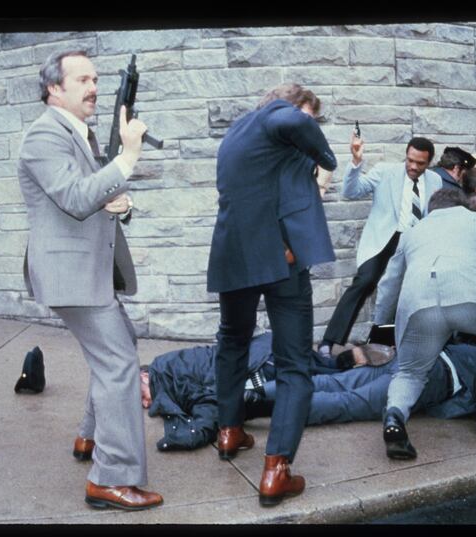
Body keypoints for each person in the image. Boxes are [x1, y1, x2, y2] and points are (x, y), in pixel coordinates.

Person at [17, 50, 162, 510]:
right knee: (119, 364)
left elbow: (99, 194)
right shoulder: (43, 135)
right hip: (71, 273)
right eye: (82, 79)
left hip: (90, 269)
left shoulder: (80, 133)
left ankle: (89, 438)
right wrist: (129, 158)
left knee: (116, 351)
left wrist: (122, 203)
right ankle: (109, 479)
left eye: (96, 78)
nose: (93, 86)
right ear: (54, 89)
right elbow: (76, 197)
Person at [206, 83, 337, 507]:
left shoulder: (237, 135)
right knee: (295, 363)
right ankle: (276, 470)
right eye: (310, 117)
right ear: (292, 107)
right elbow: (289, 119)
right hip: (279, 260)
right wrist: (326, 157)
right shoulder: (279, 118)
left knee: (232, 340)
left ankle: (229, 431)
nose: (309, 126)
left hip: (234, 254)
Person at [140, 335, 476, 450]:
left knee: (332, 384)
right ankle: (260, 403)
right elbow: (475, 403)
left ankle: (261, 394)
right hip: (426, 378)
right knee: (345, 402)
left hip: (415, 361)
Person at [374, 188, 476, 459]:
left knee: (410, 372)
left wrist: (379, 328)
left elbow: (389, 284)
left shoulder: (412, 232)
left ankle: (394, 417)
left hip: (420, 301)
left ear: (431, 209)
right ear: (462, 205)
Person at [316, 136, 443, 359]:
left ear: (429, 162)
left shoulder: (435, 181)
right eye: (410, 160)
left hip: (416, 241)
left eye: (420, 163)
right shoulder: (385, 171)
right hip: (386, 238)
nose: (413, 166)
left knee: (414, 291)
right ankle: (330, 341)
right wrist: (356, 161)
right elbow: (351, 191)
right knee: (364, 282)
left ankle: (390, 344)